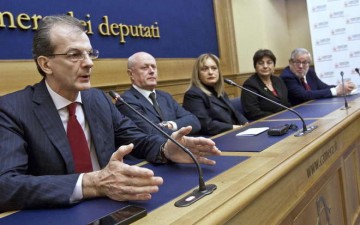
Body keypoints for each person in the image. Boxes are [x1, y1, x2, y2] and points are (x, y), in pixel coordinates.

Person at [0, 15, 221, 212]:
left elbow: (138, 139)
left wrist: (167, 148)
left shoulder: (97, 99)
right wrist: (93, 183)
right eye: (74, 55)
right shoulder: (13, 109)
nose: (88, 63)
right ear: (46, 64)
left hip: (114, 209)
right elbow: (6, 185)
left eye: (89, 53)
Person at [115, 52, 201, 136]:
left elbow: (194, 122)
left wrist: (170, 125)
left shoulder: (165, 96)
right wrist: (179, 127)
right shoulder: (125, 101)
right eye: (145, 67)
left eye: (154, 67)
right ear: (131, 74)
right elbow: (152, 132)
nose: (152, 71)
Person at [182, 53, 248, 136]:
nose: (210, 72)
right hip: (215, 138)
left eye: (214, 68)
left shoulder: (220, 92)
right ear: (197, 74)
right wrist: (234, 127)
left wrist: (246, 123)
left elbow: (235, 112)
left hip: (232, 133)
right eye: (205, 69)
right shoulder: (193, 95)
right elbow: (206, 124)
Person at [280, 48, 356, 106]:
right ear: (290, 62)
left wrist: (344, 88)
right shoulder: (287, 76)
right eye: (297, 62)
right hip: (299, 112)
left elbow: (323, 87)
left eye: (305, 62)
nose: (300, 66)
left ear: (309, 63)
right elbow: (304, 95)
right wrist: (336, 91)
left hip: (314, 107)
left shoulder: (310, 72)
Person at [241, 49, 291, 120]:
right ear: (255, 67)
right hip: (265, 122)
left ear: (274, 66)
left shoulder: (278, 80)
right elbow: (253, 113)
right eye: (260, 63)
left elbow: (286, 103)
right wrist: (278, 117)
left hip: (286, 119)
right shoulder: (250, 85)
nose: (265, 66)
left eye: (269, 63)